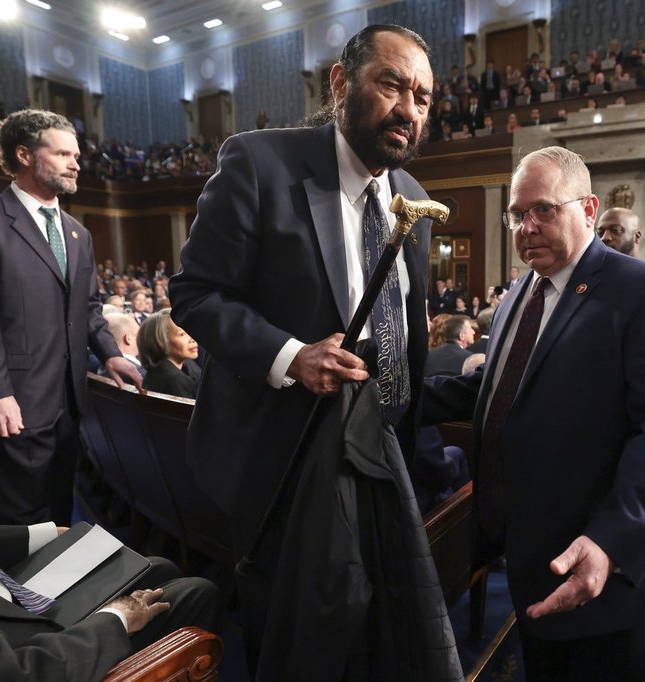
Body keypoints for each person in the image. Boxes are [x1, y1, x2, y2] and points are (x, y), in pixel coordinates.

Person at [168, 25, 451, 675]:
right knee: (287, 639)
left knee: (365, 635)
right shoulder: (260, 162)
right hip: (282, 463)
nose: (409, 108)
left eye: (424, 97)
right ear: (340, 82)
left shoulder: (410, 196)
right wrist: (291, 354)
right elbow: (195, 294)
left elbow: (403, 331)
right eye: (391, 84)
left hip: (377, 458)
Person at [422, 146, 645, 681]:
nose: (527, 226)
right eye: (516, 214)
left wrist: (610, 539)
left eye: (544, 210)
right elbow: (494, 390)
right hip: (534, 557)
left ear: (588, 208)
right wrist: (389, 391)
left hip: (606, 565)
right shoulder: (517, 295)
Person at [0, 109, 142, 527]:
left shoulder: (77, 233)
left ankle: (59, 594)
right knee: (24, 525)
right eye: (64, 154)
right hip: (15, 400)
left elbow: (86, 308)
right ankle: (24, 596)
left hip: (68, 403)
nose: (76, 164)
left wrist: (110, 355)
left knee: (58, 513)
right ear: (25, 155)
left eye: (77, 155)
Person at [0, 503, 219, 679]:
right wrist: (116, 619)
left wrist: (39, 534)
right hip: (12, 643)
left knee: (156, 567)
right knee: (193, 592)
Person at [138, 308, 201, 399]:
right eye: (182, 334)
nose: (192, 339)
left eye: (190, 331)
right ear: (160, 340)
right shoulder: (176, 380)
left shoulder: (158, 370)